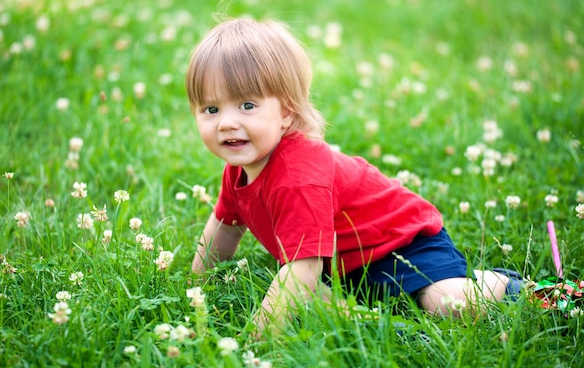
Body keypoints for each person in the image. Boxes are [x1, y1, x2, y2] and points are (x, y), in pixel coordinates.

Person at [186, 18, 523, 337]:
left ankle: (510, 287)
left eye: (247, 105)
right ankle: (374, 315)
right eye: (211, 109)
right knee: (313, 304)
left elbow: (302, 267)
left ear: (286, 112)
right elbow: (224, 228)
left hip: (401, 244)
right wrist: (196, 289)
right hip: (345, 268)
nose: (226, 123)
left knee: (447, 304)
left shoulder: (298, 175)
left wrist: (256, 341)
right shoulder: (238, 172)